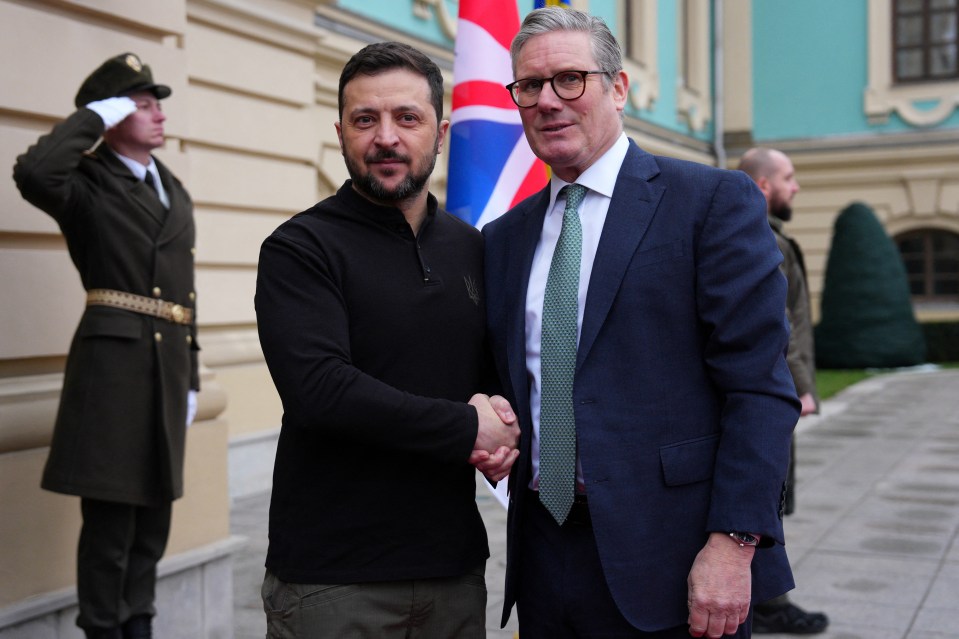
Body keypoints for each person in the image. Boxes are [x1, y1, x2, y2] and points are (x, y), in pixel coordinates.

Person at [483, 8, 801, 638]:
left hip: (676, 557)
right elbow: (506, 377)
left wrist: (733, 544)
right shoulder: (503, 238)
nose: (547, 101)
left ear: (619, 88)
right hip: (543, 553)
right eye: (529, 86)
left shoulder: (710, 202)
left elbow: (759, 388)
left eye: (570, 79)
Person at [254, 41, 520, 638]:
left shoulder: (473, 247)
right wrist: (467, 427)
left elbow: (487, 373)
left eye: (407, 117)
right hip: (334, 578)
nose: (386, 138)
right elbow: (319, 391)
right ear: (342, 132)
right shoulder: (301, 248)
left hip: (453, 568)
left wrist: (501, 422)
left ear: (441, 131)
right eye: (364, 119)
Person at [13, 53, 199, 639]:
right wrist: (91, 118)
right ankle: (102, 627)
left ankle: (139, 623)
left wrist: (190, 374)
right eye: (142, 104)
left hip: (166, 367)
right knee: (111, 527)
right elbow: (35, 173)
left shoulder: (171, 187)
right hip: (113, 368)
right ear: (112, 113)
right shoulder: (87, 181)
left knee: (152, 522)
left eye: (157, 103)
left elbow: (182, 293)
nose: (158, 114)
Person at [739, 147, 829, 635]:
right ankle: (768, 602)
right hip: (771, 393)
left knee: (768, 494)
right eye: (788, 178)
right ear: (762, 186)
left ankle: (766, 597)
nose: (796, 187)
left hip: (773, 390)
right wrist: (800, 388)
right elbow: (781, 325)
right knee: (764, 495)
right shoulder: (761, 241)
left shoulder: (770, 237)